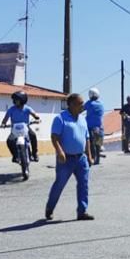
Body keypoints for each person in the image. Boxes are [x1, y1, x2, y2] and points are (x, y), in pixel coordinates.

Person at [45, 93, 94, 221]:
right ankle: (50, 208)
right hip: (66, 158)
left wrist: (89, 155)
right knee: (59, 184)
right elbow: (54, 137)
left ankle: (82, 211)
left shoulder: (83, 119)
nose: (83, 106)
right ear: (71, 105)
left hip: (81, 158)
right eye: (80, 103)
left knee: (84, 184)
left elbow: (87, 138)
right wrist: (60, 151)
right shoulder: (60, 118)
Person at [0, 91, 40, 162]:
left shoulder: (27, 108)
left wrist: (37, 118)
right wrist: (3, 124)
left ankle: (34, 153)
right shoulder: (11, 109)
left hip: (26, 128)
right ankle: (15, 156)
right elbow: (5, 119)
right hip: (15, 130)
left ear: (22, 100)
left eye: (16, 100)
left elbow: (34, 115)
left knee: (33, 135)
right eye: (14, 100)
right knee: (9, 141)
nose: (14, 101)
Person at [84, 88, 106, 163]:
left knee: (90, 142)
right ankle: (98, 156)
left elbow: (81, 109)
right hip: (100, 126)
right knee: (98, 142)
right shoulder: (101, 104)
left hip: (90, 126)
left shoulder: (89, 103)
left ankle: (92, 157)